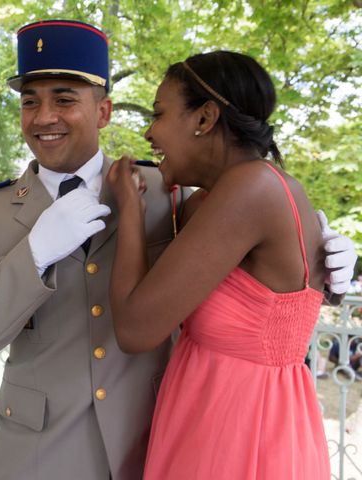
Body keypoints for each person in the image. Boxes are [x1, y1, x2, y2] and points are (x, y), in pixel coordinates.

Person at [0, 21, 356, 480]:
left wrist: (327, 265)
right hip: (41, 455)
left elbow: (254, 273)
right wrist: (34, 252)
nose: (43, 117)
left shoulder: (169, 191)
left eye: (64, 99)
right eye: (29, 102)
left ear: (103, 111)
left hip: (160, 438)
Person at [107, 51, 333, 478]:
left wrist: (129, 212)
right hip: (200, 411)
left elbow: (136, 330)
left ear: (205, 118)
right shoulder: (209, 201)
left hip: (241, 430)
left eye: (159, 114)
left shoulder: (251, 188)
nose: (149, 131)